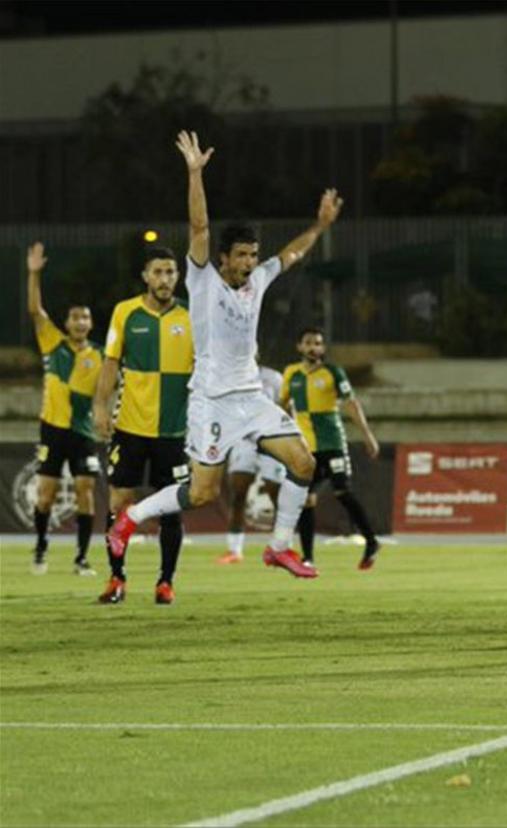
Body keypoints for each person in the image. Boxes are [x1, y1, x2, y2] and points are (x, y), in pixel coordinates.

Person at [106, 130, 343, 582]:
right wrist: (195, 174)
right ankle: (130, 518)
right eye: (242, 256)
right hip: (212, 401)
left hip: (251, 398)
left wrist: (320, 226)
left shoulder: (258, 280)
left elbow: (291, 254)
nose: (251, 262)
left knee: (303, 463)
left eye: (254, 255)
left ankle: (278, 548)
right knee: (200, 493)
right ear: (223, 258)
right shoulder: (203, 281)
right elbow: (199, 228)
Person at [92, 245, 193, 604]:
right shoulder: (125, 312)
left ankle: (165, 582)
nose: (165, 279)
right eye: (158, 272)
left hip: (174, 430)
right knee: (119, 502)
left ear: (178, 276)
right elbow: (110, 363)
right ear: (145, 276)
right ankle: (116, 579)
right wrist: (100, 406)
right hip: (130, 426)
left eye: (170, 272)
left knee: (171, 508)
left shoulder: (192, 314)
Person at [25, 242, 102, 576]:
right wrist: (33, 273)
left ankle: (81, 558)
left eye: (85, 317)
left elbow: (109, 390)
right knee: (45, 496)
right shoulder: (52, 343)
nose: (80, 322)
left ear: (91, 322)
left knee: (86, 492)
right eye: (75, 317)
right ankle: (41, 547)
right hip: (52, 430)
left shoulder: (100, 355)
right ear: (67, 322)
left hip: (83, 432)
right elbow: (35, 310)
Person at [280, 327, 382, 571]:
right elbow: (282, 405)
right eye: (308, 343)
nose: (313, 347)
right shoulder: (291, 373)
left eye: (317, 343)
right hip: (307, 449)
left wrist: (367, 435)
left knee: (342, 491)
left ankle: (371, 541)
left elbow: (351, 403)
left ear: (323, 348)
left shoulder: (333, 372)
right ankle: (308, 558)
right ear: (299, 347)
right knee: (305, 499)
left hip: (333, 444)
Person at [217, 363, 287, 564]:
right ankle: (234, 550)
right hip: (243, 442)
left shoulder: (274, 377)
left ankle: (282, 548)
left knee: (277, 495)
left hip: (270, 441)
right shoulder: (230, 377)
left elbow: (285, 406)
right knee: (238, 493)